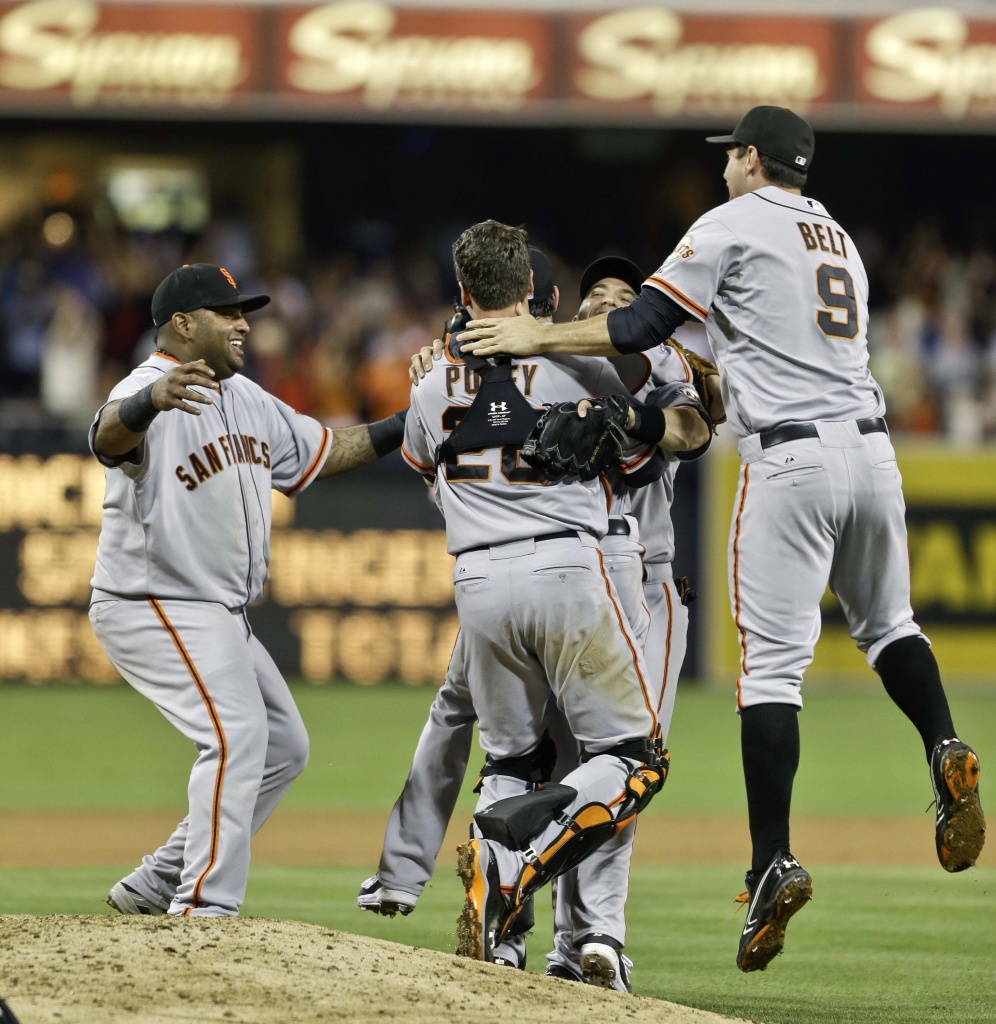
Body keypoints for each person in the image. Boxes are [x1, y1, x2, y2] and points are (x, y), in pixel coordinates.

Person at [458, 107, 986, 972]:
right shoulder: (839, 238)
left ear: (749, 158)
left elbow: (637, 328)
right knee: (891, 626)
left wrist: (537, 334)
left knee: (771, 671)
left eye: (730, 155)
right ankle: (943, 744)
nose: (725, 168)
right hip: (874, 449)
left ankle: (770, 857)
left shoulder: (731, 222)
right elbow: (744, 338)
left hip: (790, 461)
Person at [398, 225, 711, 976]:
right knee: (589, 763)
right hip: (574, 572)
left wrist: (635, 413)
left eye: (624, 301)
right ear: (563, 306)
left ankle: (589, 939)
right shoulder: (560, 359)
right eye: (595, 295)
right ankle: (520, 924)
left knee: (600, 763)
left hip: (644, 576)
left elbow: (699, 422)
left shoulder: (640, 362)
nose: (609, 304)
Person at [89, 263, 407, 917]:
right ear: (183, 323)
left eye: (245, 312)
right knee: (236, 734)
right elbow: (105, 436)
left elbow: (327, 449)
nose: (244, 323)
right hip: (154, 603)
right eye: (228, 312)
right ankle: (204, 906)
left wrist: (413, 422)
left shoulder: (248, 397)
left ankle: (156, 883)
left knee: (285, 746)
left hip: (216, 610)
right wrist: (149, 401)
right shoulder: (148, 387)